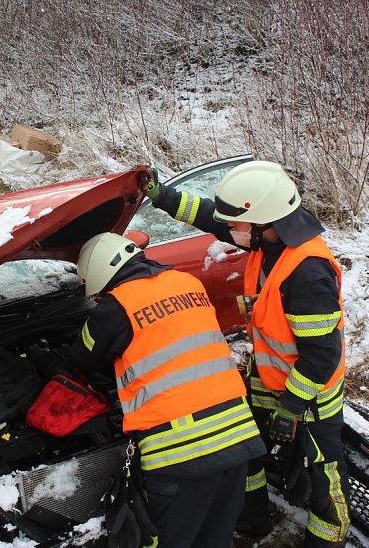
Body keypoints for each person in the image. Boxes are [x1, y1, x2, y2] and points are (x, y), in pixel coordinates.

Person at [144, 160, 350, 547]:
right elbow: (211, 216)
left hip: (309, 398)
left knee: (323, 473)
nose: (229, 232)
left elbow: (322, 356)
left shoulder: (307, 274)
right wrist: (163, 197)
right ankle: (253, 519)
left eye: (237, 225)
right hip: (267, 381)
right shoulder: (267, 237)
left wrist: (291, 406)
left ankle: (326, 539)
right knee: (244, 452)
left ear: (262, 220)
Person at [64, 231, 266, 548]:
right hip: (238, 435)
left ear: (102, 278)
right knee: (215, 536)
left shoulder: (115, 308)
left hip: (182, 453)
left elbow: (82, 358)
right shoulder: (188, 283)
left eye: (99, 293)